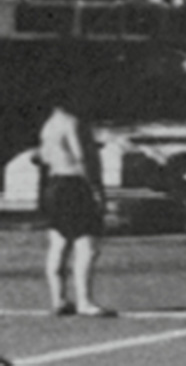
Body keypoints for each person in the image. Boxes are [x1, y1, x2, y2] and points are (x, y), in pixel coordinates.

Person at [39, 88, 113, 317]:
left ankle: (58, 299)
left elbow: (43, 157)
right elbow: (82, 157)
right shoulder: (73, 122)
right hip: (74, 184)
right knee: (87, 244)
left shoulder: (48, 125)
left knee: (59, 242)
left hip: (53, 184)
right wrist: (97, 189)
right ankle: (85, 301)